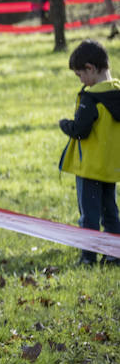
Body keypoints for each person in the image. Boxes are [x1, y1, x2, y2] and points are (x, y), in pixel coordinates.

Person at [58, 38, 120, 264]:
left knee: (89, 216)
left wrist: (65, 125)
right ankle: (114, 255)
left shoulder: (90, 98)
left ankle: (88, 257)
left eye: (80, 75)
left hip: (89, 168)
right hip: (111, 167)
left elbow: (80, 130)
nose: (81, 80)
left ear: (90, 68)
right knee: (111, 213)